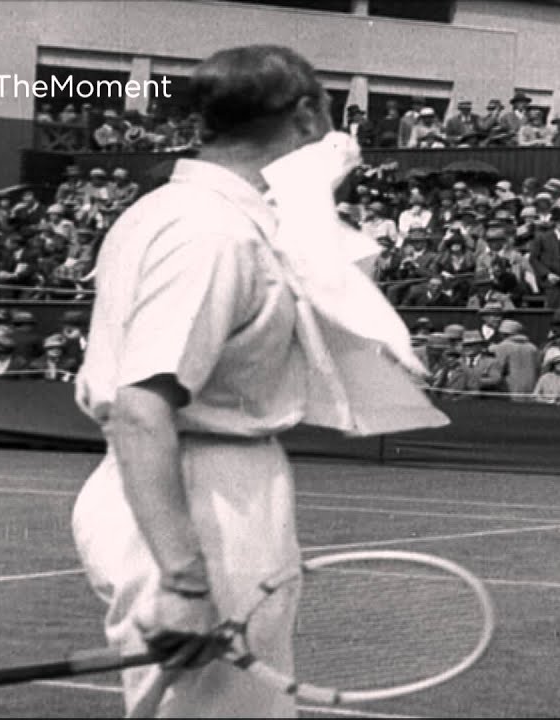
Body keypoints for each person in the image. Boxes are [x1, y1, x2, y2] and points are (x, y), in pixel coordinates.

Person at [70, 45, 444, 718]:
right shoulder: (209, 231)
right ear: (305, 117)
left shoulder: (195, 214)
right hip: (196, 494)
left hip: (205, 484)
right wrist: (185, 583)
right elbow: (140, 408)